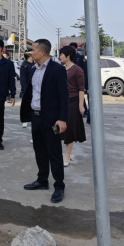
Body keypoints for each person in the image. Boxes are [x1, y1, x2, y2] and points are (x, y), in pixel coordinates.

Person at [20, 39, 69, 204]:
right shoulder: (33, 69)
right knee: (39, 150)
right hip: (36, 117)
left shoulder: (57, 69)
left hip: (52, 119)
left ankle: (59, 186)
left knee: (54, 153)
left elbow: (64, 96)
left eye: (33, 50)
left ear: (42, 52)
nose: (31, 52)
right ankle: (42, 180)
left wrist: (62, 119)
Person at [58, 46, 86, 167]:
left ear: (68, 55)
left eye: (61, 54)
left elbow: (81, 89)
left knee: (69, 129)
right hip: (61, 102)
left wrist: (81, 106)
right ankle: (70, 152)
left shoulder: (77, 70)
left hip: (73, 102)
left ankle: (67, 155)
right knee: (59, 128)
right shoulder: (61, 68)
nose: (60, 56)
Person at [70, 42, 90, 124]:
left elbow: (84, 70)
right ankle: (83, 110)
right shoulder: (70, 58)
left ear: (76, 49)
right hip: (72, 81)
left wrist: (86, 84)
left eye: (72, 48)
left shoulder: (81, 58)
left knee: (81, 95)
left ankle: (84, 111)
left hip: (79, 80)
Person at [20, 53, 34, 128]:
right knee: (25, 105)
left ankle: (32, 119)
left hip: (34, 88)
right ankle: (24, 121)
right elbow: (23, 79)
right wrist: (24, 88)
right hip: (26, 89)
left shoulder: (35, 64)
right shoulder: (24, 65)